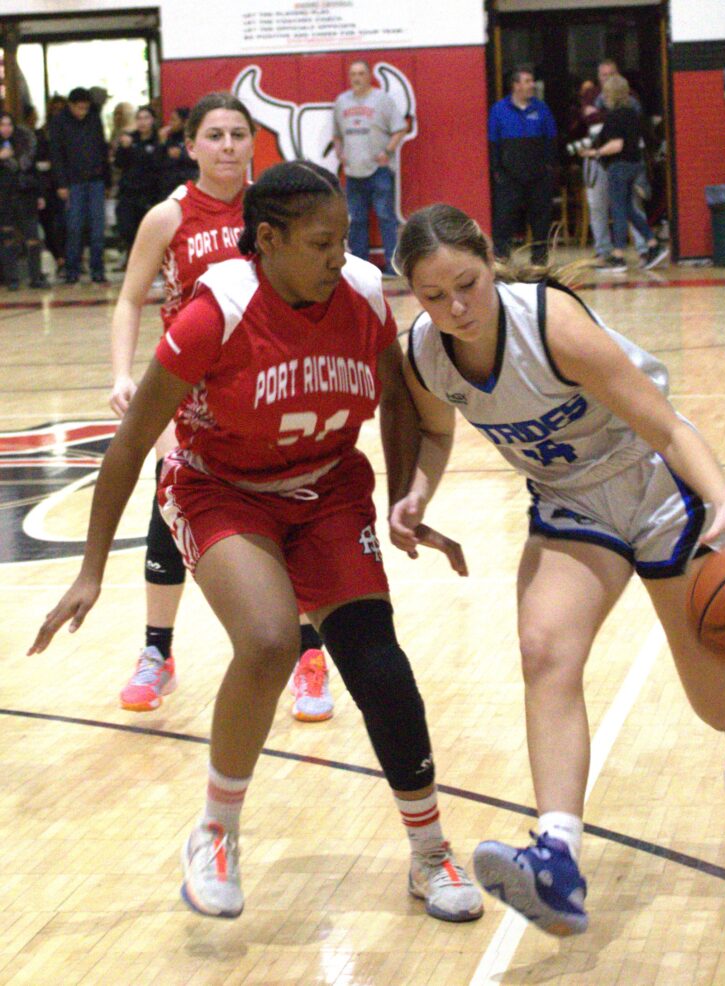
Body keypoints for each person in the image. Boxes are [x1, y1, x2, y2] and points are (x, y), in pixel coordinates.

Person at [31, 161, 484, 925]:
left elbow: (399, 402)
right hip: (219, 487)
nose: (339, 255)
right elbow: (133, 439)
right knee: (272, 640)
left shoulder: (364, 295)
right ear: (266, 240)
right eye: (320, 242)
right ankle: (216, 831)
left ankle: (431, 852)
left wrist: (408, 494)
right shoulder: (216, 315)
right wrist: (88, 570)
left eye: (344, 238)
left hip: (330, 485)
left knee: (377, 660)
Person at [390, 204, 725, 936]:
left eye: (467, 285)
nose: (455, 308)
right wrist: (416, 494)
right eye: (432, 296)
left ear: (489, 261)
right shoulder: (424, 351)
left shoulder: (553, 326)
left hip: (652, 488)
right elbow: (435, 430)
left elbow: (668, 427)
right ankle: (558, 859)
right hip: (571, 505)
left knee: (714, 700)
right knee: (544, 650)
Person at [107, 92, 334, 723]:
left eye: (239, 134)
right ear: (192, 146)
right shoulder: (167, 216)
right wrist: (124, 374)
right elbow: (129, 299)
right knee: (169, 502)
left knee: (292, 505)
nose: (229, 146)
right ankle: (158, 654)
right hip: (188, 387)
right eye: (215, 135)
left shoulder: (281, 206)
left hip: (272, 382)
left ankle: (308, 656)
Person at [581, 75, 667, 273]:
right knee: (628, 209)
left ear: (610, 94)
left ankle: (618, 257)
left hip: (619, 167)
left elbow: (616, 145)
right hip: (634, 164)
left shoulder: (614, 116)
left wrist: (595, 152)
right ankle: (653, 245)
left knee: (618, 210)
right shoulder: (633, 113)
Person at [331, 60, 409, 277]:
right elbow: (336, 134)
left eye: (361, 73)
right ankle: (360, 269)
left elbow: (400, 128)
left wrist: (387, 151)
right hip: (353, 171)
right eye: (353, 73)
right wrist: (340, 152)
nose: (357, 77)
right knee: (356, 220)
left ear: (369, 76)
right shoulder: (341, 102)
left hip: (379, 170)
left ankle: (392, 267)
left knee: (386, 217)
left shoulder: (382, 100)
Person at [579, 59, 648, 264]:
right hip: (599, 155)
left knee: (630, 203)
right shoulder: (590, 94)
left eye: (611, 74)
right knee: (598, 203)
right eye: (603, 75)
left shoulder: (630, 96)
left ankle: (643, 248)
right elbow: (587, 119)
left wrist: (600, 115)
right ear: (598, 77)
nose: (607, 79)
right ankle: (604, 250)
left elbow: (624, 119)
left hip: (621, 157)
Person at [487, 66, 557, 264]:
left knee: (540, 219)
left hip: (538, 175)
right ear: (515, 85)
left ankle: (539, 259)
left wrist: (549, 168)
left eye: (531, 81)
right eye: (526, 81)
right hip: (509, 176)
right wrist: (497, 170)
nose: (531, 85)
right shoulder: (499, 110)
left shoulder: (542, 108)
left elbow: (551, 140)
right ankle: (502, 258)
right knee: (504, 218)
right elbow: (493, 142)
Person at [49, 86, 110, 285]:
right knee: (74, 227)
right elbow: (56, 154)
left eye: (86, 108)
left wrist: (107, 180)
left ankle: (97, 270)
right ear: (71, 105)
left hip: (96, 180)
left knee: (97, 227)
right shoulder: (59, 122)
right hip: (72, 182)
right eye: (79, 108)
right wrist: (61, 183)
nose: (82, 112)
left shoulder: (94, 119)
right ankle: (72, 270)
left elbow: (102, 149)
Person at [0, 111, 48, 289]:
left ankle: (36, 276)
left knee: (32, 237)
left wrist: (40, 195)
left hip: (25, 195)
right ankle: (12, 278)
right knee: (7, 238)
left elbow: (33, 171)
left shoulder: (25, 144)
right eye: (2, 124)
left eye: (9, 124)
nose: (6, 128)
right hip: (4, 198)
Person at [113, 105, 162, 254]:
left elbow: (159, 165)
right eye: (139, 118)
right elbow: (118, 163)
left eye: (146, 118)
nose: (142, 122)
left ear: (153, 120)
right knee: (127, 229)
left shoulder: (158, 141)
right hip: (129, 193)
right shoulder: (129, 139)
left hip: (150, 194)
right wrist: (124, 148)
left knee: (148, 232)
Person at [29, 104, 65, 279]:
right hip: (43, 187)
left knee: (62, 224)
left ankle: (65, 259)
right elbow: (36, 162)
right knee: (48, 225)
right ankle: (59, 259)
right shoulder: (39, 135)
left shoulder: (63, 133)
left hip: (59, 185)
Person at [158, 106, 199, 198]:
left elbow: (200, 160)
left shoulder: (194, 138)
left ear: (184, 122)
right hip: (169, 189)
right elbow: (158, 162)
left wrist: (181, 154)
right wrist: (161, 143)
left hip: (188, 186)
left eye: (174, 120)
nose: (170, 123)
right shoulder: (169, 138)